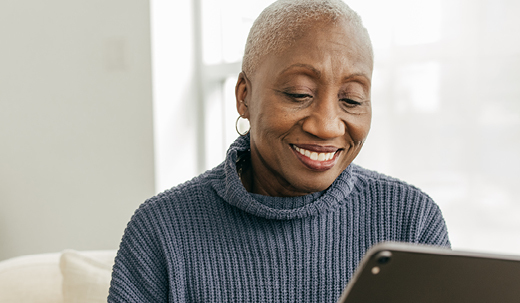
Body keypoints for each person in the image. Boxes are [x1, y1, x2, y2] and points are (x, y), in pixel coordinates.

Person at [108, 0, 450, 302]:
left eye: (352, 99)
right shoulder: (161, 230)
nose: (328, 126)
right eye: (299, 94)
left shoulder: (410, 221)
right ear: (244, 96)